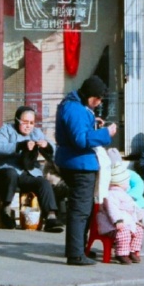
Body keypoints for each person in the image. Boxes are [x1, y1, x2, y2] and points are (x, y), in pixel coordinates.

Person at [55, 75, 116, 266]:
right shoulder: (75, 109)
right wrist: (106, 134)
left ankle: (78, 249)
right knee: (80, 210)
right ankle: (75, 254)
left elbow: (79, 130)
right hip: (79, 165)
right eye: (97, 99)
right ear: (90, 95)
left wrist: (93, 123)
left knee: (83, 208)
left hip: (75, 162)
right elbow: (80, 140)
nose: (98, 103)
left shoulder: (76, 106)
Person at [0, 106, 64, 233]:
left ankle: (51, 217)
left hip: (26, 172)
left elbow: (53, 151)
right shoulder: (6, 129)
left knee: (43, 182)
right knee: (11, 174)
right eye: (25, 122)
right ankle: (6, 209)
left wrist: (46, 146)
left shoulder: (36, 133)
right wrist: (19, 145)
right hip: (5, 170)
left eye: (31, 123)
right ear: (17, 120)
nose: (28, 126)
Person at [98, 160, 144, 265]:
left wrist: (137, 219)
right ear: (119, 183)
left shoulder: (125, 194)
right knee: (124, 233)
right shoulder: (110, 194)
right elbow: (112, 209)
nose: (128, 185)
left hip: (127, 222)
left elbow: (132, 208)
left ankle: (132, 250)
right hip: (111, 225)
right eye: (126, 182)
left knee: (139, 230)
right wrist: (117, 220)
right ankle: (121, 253)